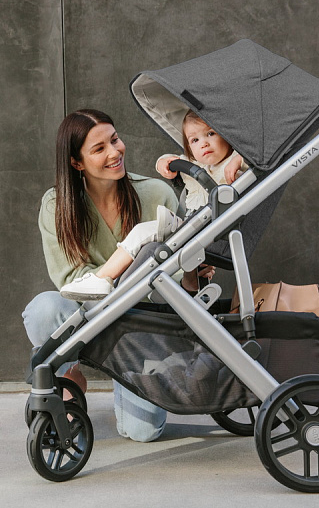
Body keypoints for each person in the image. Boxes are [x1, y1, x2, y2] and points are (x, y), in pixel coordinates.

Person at [22, 109, 210, 443]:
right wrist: (130, 257)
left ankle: (125, 372)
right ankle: (68, 377)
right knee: (44, 310)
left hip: (141, 325)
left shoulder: (157, 194)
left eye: (115, 140)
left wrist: (194, 269)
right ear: (77, 162)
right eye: (99, 149)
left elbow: (177, 279)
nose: (114, 152)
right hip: (88, 316)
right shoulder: (56, 204)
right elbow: (71, 282)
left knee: (143, 431)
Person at [59, 110, 246, 301]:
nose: (204, 143)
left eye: (211, 133)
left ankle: (102, 278)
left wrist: (240, 158)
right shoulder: (199, 165)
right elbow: (167, 160)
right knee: (149, 241)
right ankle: (103, 280)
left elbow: (256, 161)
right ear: (77, 163)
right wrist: (164, 162)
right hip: (193, 227)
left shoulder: (234, 166)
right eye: (195, 140)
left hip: (204, 230)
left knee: (143, 232)